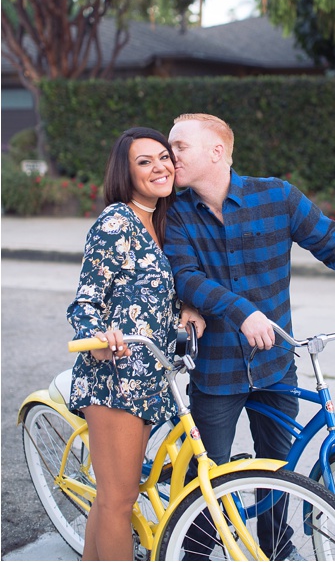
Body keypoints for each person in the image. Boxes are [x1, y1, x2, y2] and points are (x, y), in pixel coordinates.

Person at [162, 112, 335, 557]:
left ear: (217, 152)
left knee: (279, 475)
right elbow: (186, 277)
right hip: (216, 372)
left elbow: (333, 245)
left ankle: (276, 549)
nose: (168, 155)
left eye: (179, 147)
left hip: (275, 366)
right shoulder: (175, 214)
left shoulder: (277, 197)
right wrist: (240, 310)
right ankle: (192, 552)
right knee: (209, 484)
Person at [67, 127, 205, 561]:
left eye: (164, 157)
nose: (160, 166)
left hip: (151, 376)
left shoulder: (165, 221)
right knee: (119, 500)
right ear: (125, 173)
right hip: (114, 378)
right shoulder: (116, 222)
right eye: (144, 162)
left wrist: (186, 306)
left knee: (113, 498)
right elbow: (85, 301)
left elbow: (156, 288)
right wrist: (97, 338)